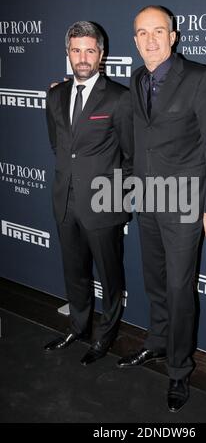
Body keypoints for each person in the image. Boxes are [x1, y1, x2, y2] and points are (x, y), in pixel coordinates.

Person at [117, 6, 206, 412]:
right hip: (148, 199)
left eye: (158, 31)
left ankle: (180, 371)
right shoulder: (136, 78)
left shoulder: (200, 79)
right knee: (155, 283)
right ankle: (157, 342)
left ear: (174, 35)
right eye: (142, 33)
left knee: (181, 291)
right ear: (134, 40)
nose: (150, 40)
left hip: (185, 204)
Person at [44, 21, 133, 366]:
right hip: (64, 201)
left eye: (90, 50)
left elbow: (131, 156)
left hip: (103, 204)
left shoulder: (119, 98)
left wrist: (114, 198)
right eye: (76, 50)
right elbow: (58, 145)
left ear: (102, 54)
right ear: (67, 53)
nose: (82, 58)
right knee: (74, 271)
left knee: (110, 277)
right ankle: (79, 327)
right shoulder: (54, 95)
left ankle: (105, 336)